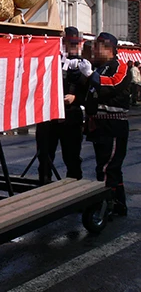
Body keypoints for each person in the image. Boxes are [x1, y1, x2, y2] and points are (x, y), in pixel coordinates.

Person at [80, 32, 132, 217]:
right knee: (107, 166)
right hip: (100, 125)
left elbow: (112, 85)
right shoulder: (100, 67)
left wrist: (90, 75)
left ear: (108, 47)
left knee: (108, 167)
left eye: (97, 46)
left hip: (114, 125)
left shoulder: (120, 66)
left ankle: (106, 206)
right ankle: (117, 204)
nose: (94, 51)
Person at [36, 26, 87, 183]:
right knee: (45, 156)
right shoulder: (52, 60)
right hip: (49, 116)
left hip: (71, 115)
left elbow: (90, 92)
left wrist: (76, 98)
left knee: (72, 157)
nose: (71, 48)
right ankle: (43, 187)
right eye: (68, 44)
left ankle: (74, 190)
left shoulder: (83, 64)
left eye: (74, 44)